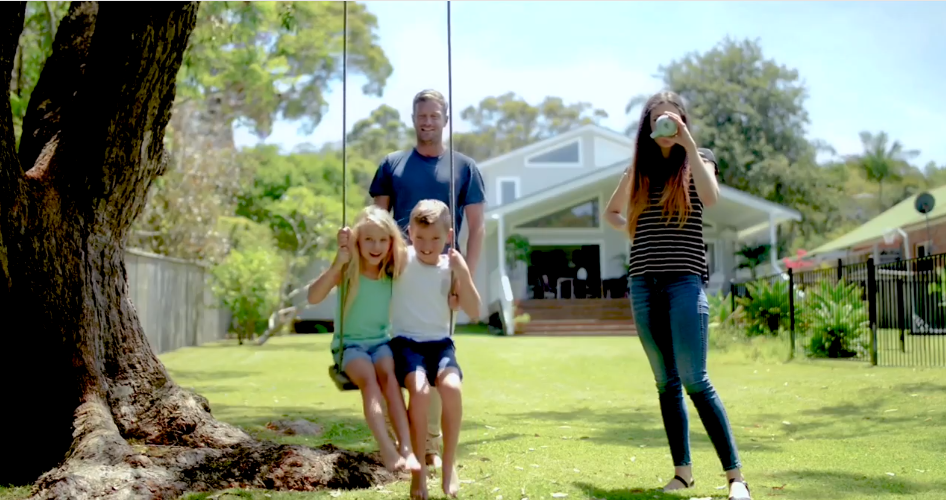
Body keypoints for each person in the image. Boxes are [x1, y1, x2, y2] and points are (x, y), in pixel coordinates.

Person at [604, 91, 751, 500]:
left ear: (683, 120)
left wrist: (686, 141)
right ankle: (683, 474)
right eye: (657, 119)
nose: (665, 124)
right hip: (643, 284)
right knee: (665, 384)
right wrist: (632, 228)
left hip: (684, 282)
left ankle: (736, 478)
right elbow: (611, 212)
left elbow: (711, 197)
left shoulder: (700, 159)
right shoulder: (638, 169)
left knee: (694, 380)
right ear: (647, 126)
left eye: (672, 118)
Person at [370, 88, 486, 468]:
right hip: (399, 273)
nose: (428, 122)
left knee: (435, 358)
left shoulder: (465, 167)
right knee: (394, 357)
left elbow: (477, 228)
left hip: (440, 276)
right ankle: (403, 441)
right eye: (422, 115)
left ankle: (429, 446)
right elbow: (378, 223)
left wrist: (463, 277)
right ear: (413, 119)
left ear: (445, 119)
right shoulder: (392, 165)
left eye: (435, 115)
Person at [306, 206, 421, 473]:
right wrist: (338, 261)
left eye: (382, 240)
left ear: (391, 242)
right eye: (368, 239)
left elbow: (424, 264)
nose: (376, 246)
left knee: (389, 380)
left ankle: (406, 448)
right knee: (369, 381)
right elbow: (313, 297)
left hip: (380, 344)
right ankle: (387, 448)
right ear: (357, 240)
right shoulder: (348, 270)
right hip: (350, 347)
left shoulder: (392, 272)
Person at [390, 199, 480, 499]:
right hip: (406, 343)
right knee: (420, 392)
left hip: (440, 344)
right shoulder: (401, 259)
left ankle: (448, 463)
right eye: (420, 238)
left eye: (435, 239)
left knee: (451, 387)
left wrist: (463, 273)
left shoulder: (451, 267)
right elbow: (370, 245)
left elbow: (475, 312)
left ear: (449, 236)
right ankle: (418, 473)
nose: (427, 246)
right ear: (409, 233)